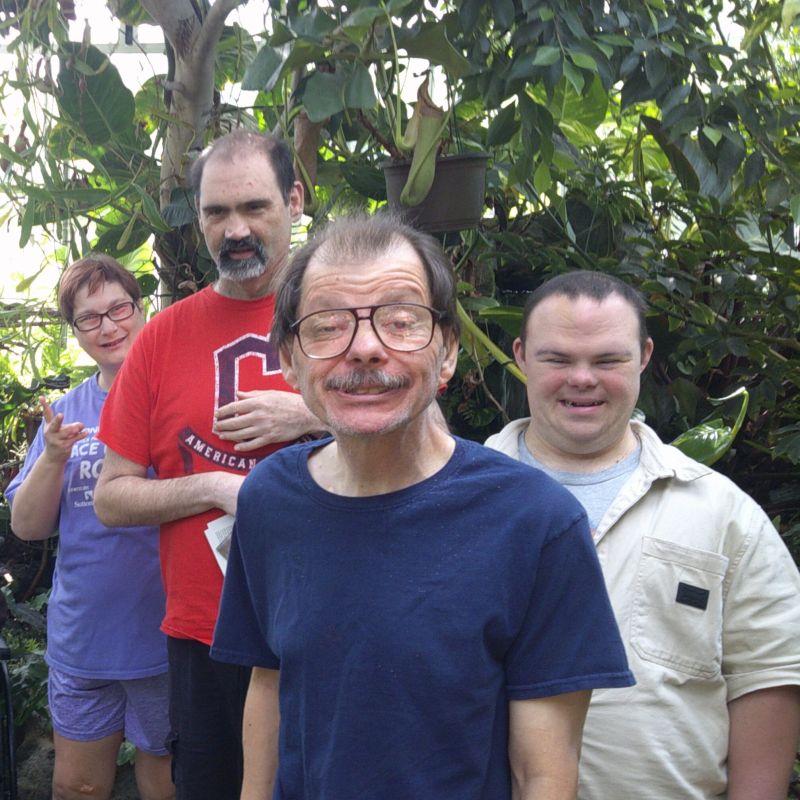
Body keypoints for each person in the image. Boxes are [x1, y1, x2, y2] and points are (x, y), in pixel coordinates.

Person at [210, 214, 635, 800]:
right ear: (289, 360)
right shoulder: (270, 501)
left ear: (448, 351)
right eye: (327, 327)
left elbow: (545, 771)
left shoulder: (535, 522)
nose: (363, 349)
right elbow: (269, 679)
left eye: (401, 322)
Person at [485, 270, 800, 800]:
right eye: (557, 359)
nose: (582, 379)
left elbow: (769, 675)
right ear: (520, 355)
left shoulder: (721, 512)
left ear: (645, 356)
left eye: (608, 360)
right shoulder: (458, 501)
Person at [93, 130, 321, 800]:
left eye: (255, 207)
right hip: (207, 630)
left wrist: (308, 416)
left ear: (296, 200)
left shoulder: (344, 315)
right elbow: (112, 497)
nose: (237, 229)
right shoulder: (163, 336)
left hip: (334, 616)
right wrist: (219, 487)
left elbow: (428, 434)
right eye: (217, 213)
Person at [5, 255, 173, 800]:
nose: (108, 326)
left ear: (141, 308)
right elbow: (28, 527)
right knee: (76, 785)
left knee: (166, 783)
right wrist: (53, 455)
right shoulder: (69, 412)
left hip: (168, 636)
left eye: (118, 308)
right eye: (89, 318)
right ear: (75, 331)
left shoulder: (177, 396)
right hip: (84, 640)